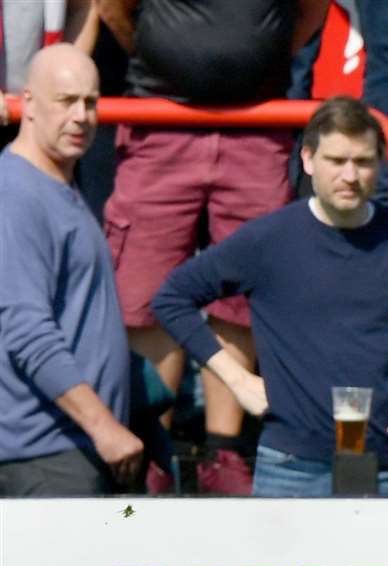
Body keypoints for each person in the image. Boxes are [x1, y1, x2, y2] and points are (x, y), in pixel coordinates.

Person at [149, 97, 388, 497]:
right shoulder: (270, 239)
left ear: (379, 165)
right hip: (290, 466)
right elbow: (172, 297)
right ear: (308, 159)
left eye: (362, 162)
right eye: (336, 160)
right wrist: (238, 381)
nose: (350, 175)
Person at [97, 0, 329, 494]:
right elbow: (110, 6)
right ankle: (152, 451)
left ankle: (224, 454)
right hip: (158, 118)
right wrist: (166, 56)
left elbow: (312, 9)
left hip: (261, 122)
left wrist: (256, 55)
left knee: (242, 297)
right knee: (143, 294)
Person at [0, 44, 138, 496]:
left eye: (91, 102)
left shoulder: (60, 185)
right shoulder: (16, 193)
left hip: (78, 453)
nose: (81, 116)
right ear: (29, 104)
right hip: (48, 458)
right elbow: (24, 331)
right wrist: (105, 427)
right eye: (66, 101)